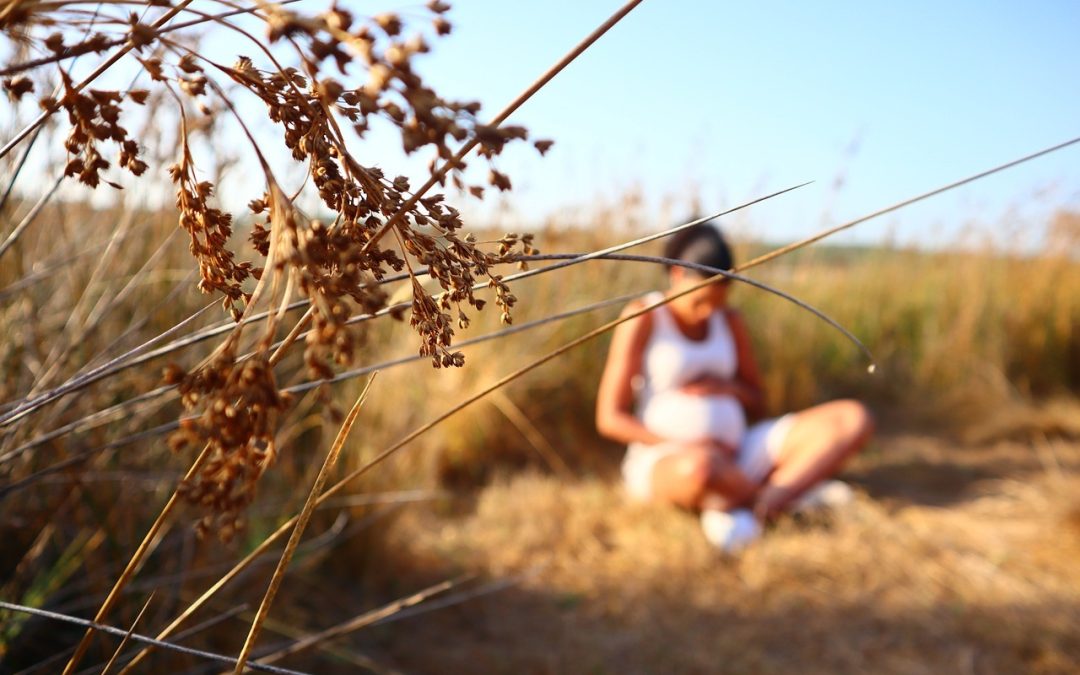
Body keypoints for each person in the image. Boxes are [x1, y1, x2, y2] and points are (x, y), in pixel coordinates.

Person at [595, 221, 874, 553]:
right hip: (671, 458)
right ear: (677, 276)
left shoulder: (729, 321)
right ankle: (779, 499)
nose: (708, 312)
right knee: (699, 469)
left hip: (739, 451)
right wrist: (680, 442)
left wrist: (730, 389)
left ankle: (749, 500)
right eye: (700, 301)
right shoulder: (644, 316)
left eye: (718, 301)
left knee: (852, 418)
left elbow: (758, 404)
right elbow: (610, 418)